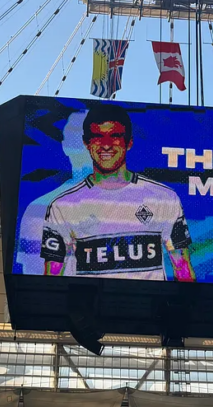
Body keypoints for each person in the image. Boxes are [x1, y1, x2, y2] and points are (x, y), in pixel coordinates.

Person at [41, 102, 195, 281]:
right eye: (98, 137)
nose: (106, 145)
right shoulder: (62, 206)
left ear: (129, 142)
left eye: (114, 136)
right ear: (86, 143)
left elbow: (183, 269)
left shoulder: (164, 198)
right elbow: (51, 277)